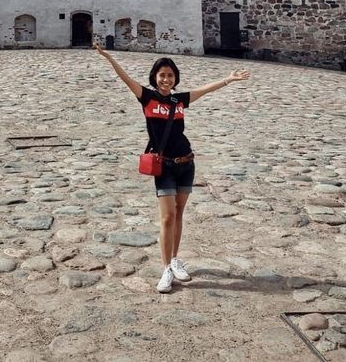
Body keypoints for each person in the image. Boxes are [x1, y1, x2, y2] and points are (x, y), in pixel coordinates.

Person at [94, 43, 250, 294]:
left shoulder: (180, 101)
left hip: (186, 163)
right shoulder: (146, 97)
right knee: (167, 217)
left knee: (178, 214)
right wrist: (109, 57)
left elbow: (204, 91)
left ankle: (175, 259)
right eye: (162, 75)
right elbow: (125, 79)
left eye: (170, 75)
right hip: (164, 166)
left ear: (175, 78)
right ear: (155, 78)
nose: (166, 79)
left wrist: (228, 80)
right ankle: (166, 268)